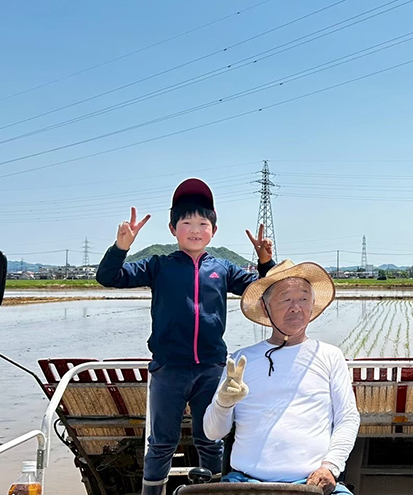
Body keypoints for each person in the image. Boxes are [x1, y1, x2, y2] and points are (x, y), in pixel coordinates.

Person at [95, 178, 276, 495]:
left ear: (213, 231)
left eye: (203, 223)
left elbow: (265, 291)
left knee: (212, 438)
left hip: (211, 368)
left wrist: (265, 262)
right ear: (172, 228)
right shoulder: (158, 266)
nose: (195, 229)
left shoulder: (223, 268)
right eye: (186, 222)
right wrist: (121, 246)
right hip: (169, 368)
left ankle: (215, 491)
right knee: (162, 441)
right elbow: (108, 277)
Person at [203, 260, 360, 495]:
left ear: (313, 304)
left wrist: (331, 467)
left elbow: (347, 418)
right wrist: (223, 404)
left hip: (313, 484)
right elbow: (212, 432)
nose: (296, 307)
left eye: (304, 298)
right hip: (245, 483)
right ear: (265, 308)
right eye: (286, 299)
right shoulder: (241, 360)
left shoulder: (329, 356)